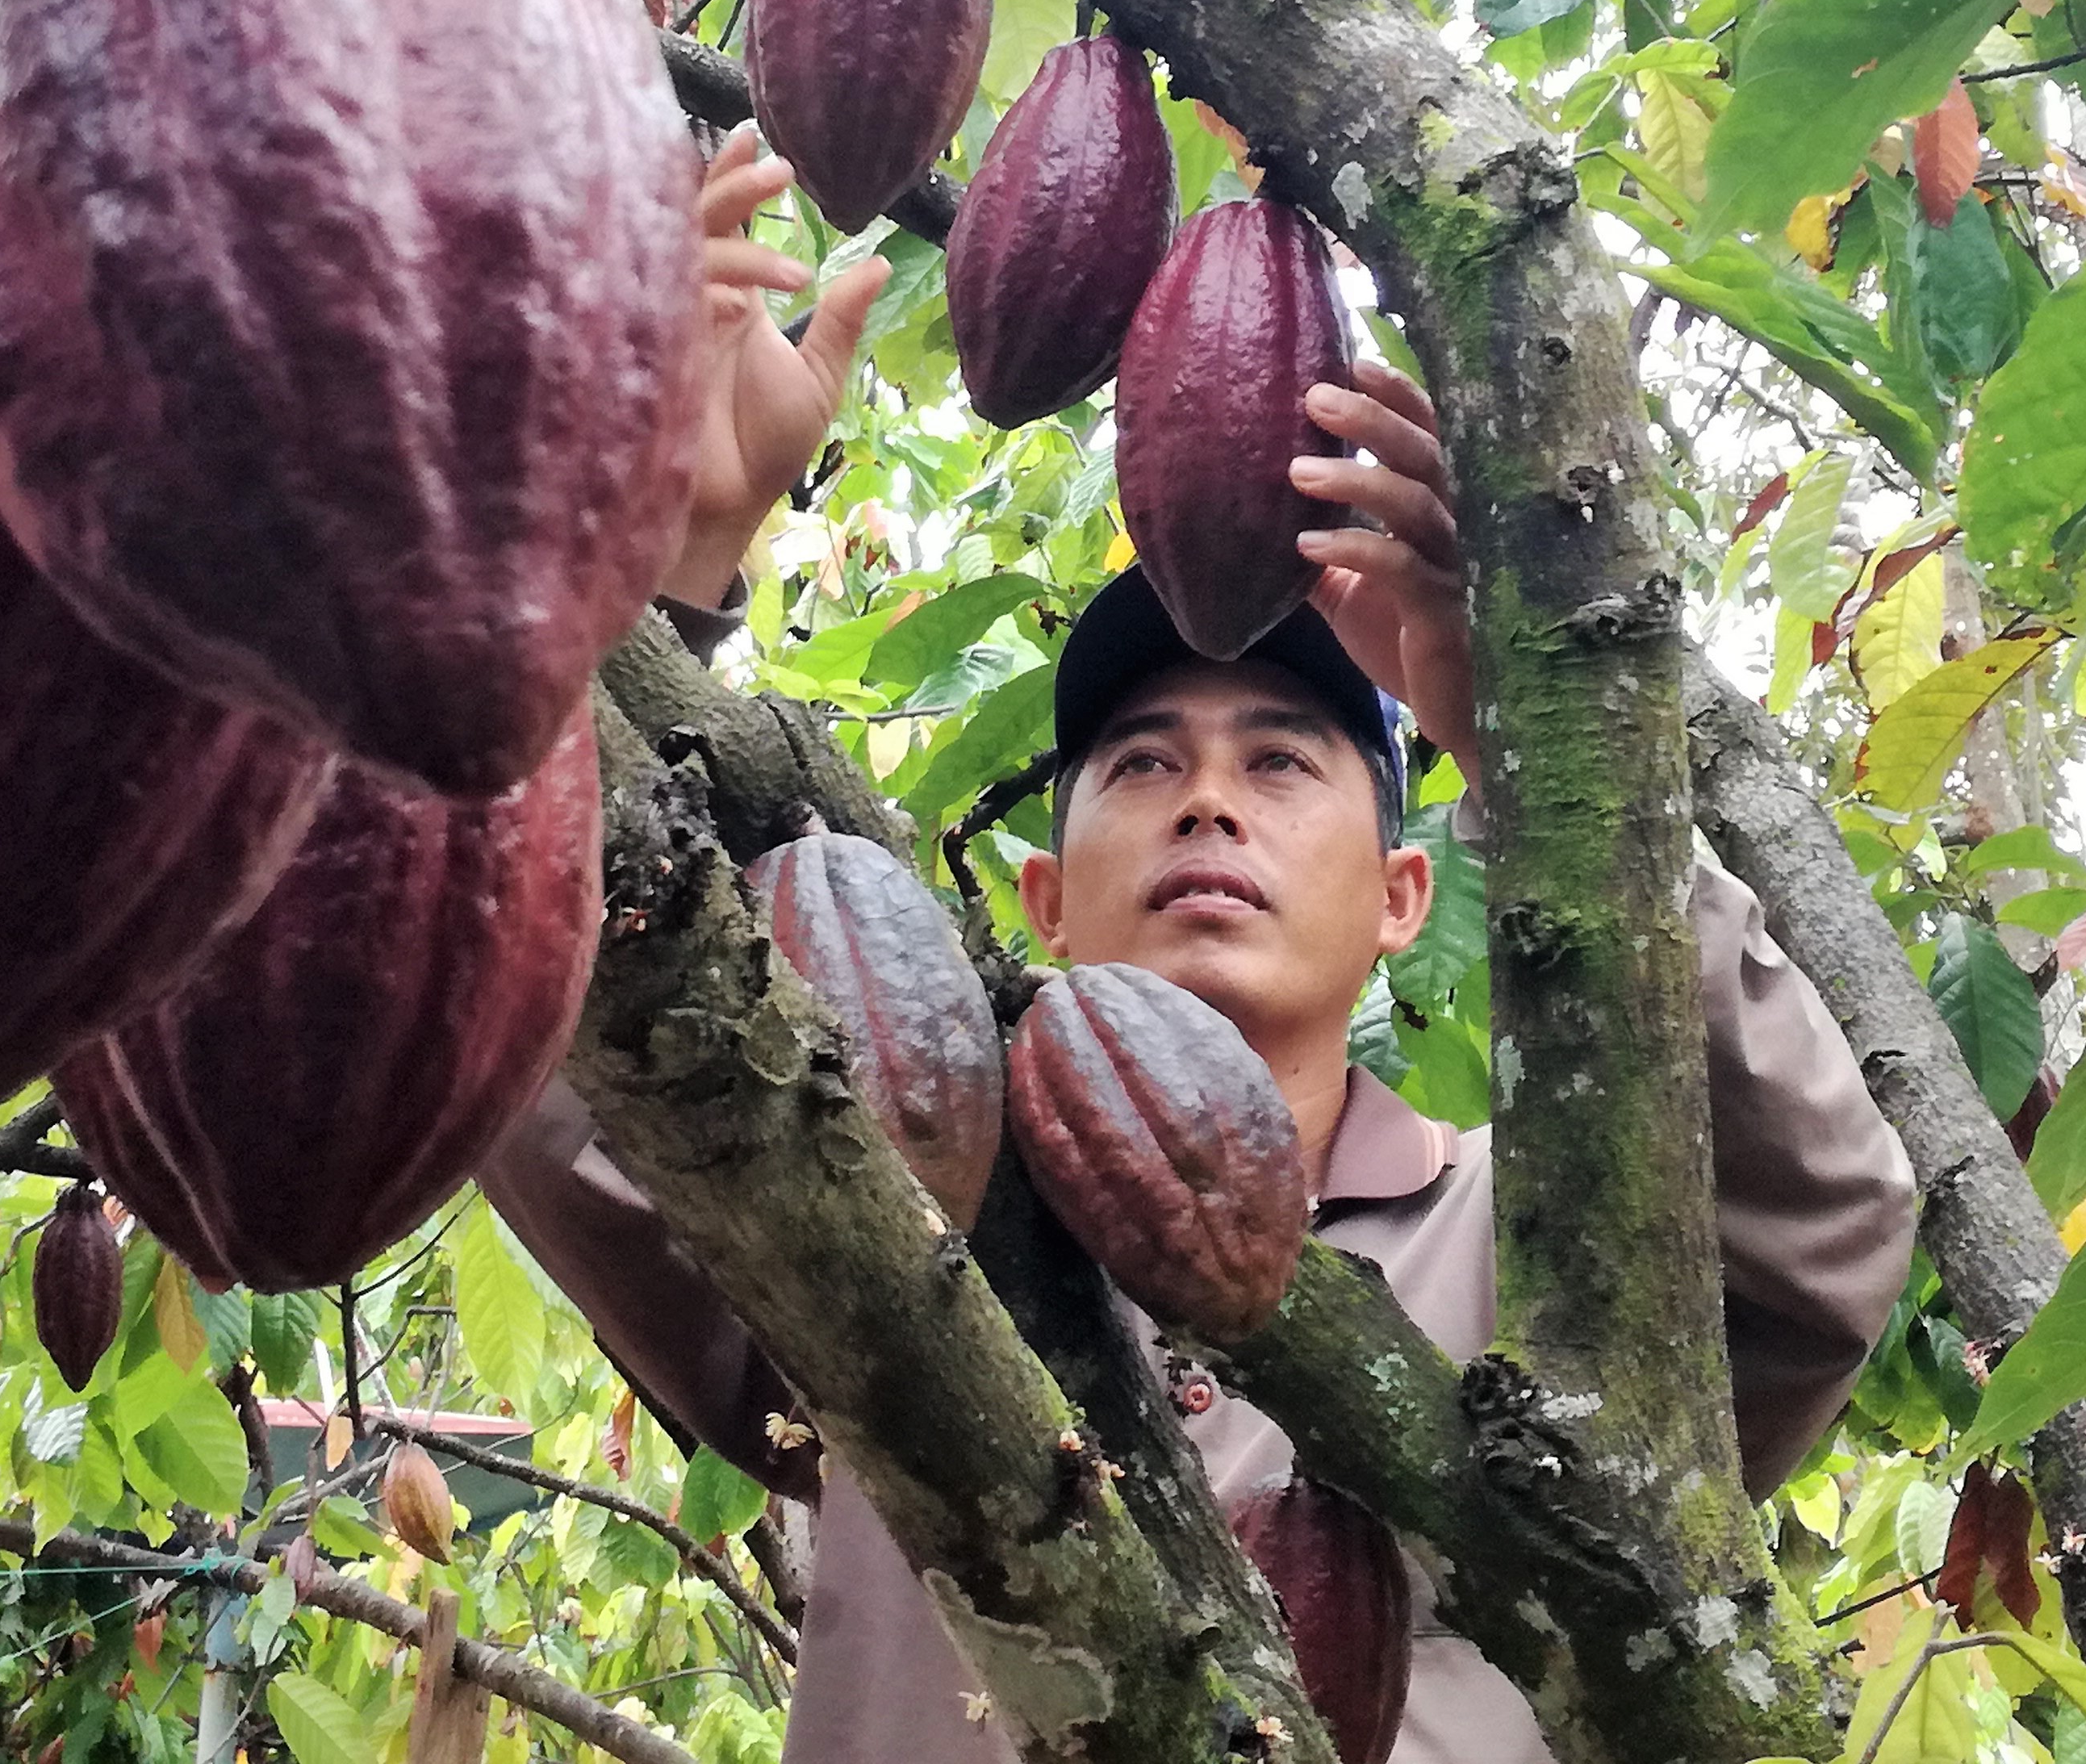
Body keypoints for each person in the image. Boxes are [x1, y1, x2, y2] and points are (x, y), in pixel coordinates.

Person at [479, 130, 1918, 1762]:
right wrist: (654, 576)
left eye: (1282, 762)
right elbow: (554, 1054)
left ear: (1400, 900)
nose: (1208, 804)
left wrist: (1522, 738)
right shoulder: (888, 1201)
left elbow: (1821, 1238)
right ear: (1042, 907)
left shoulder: (1525, 1258)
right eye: (1143, 763)